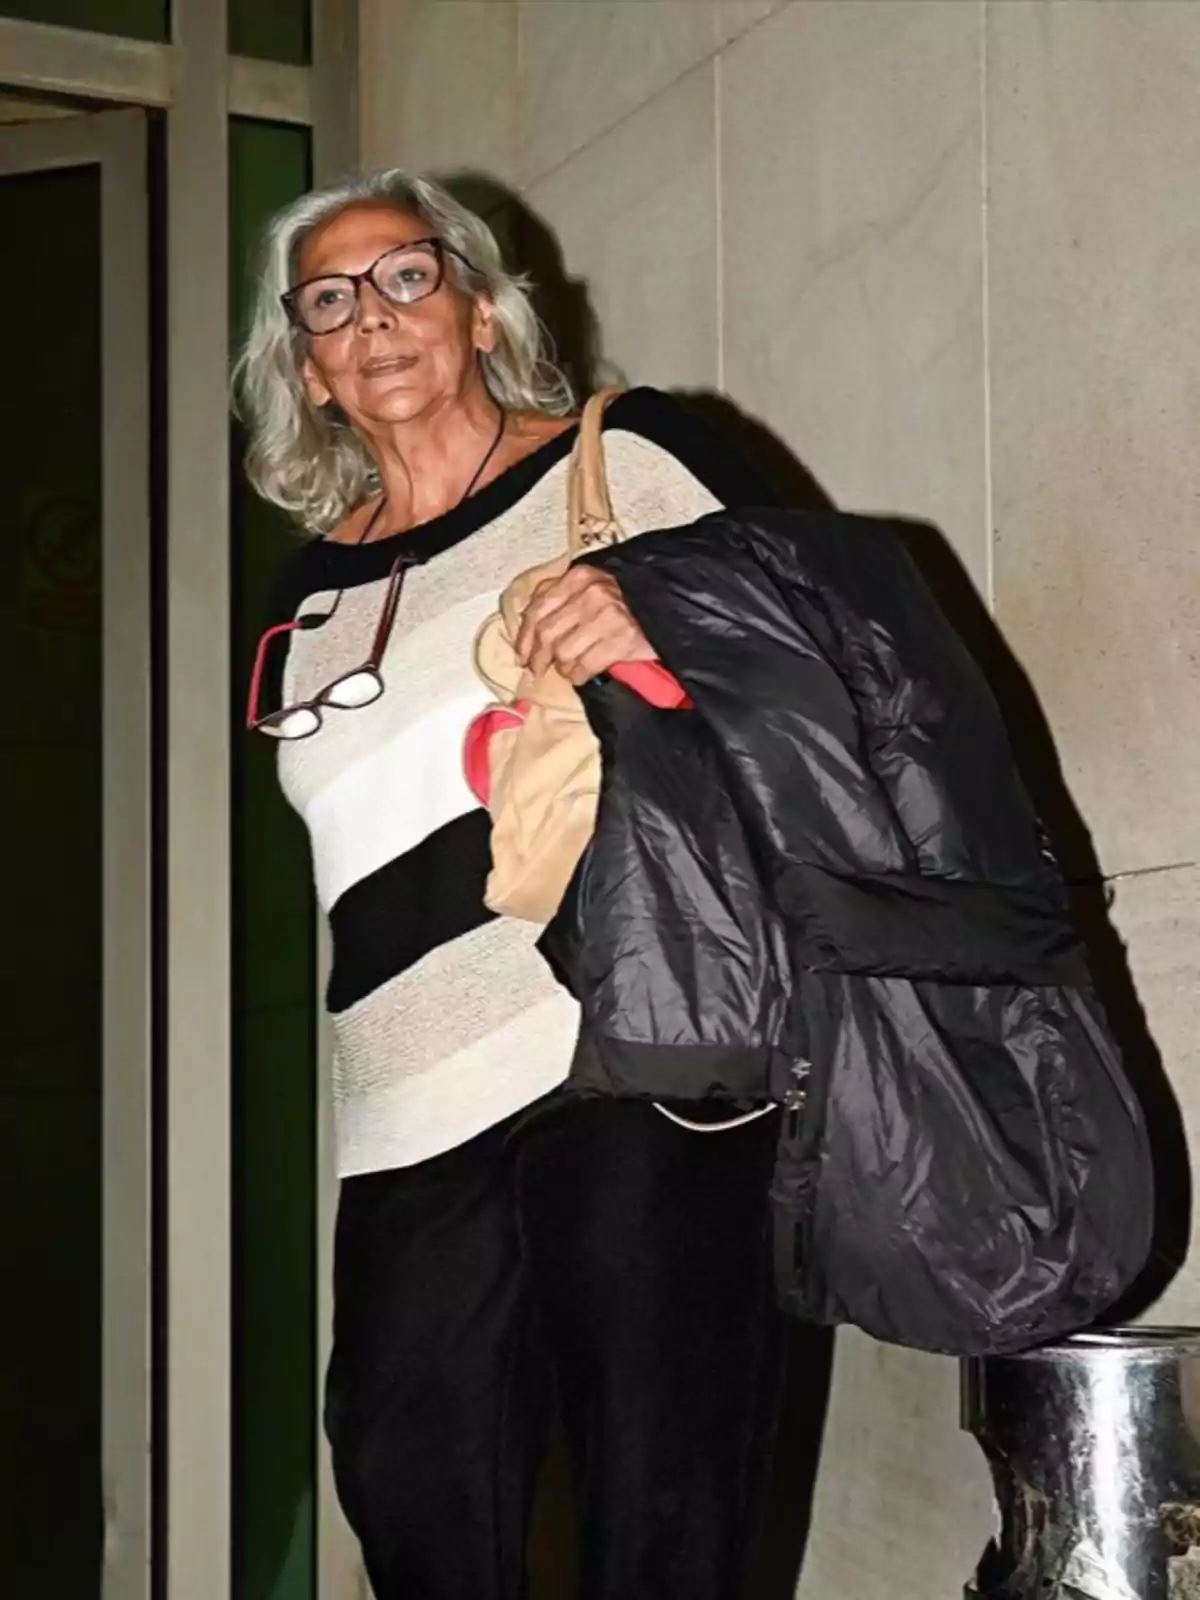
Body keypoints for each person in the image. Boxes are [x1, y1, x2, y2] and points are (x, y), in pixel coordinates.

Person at [236, 169, 785, 1600]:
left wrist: (662, 609)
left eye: (409, 278)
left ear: (480, 308)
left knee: (664, 1514)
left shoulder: (627, 460)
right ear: (306, 363)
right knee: (413, 1492)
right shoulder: (303, 601)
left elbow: (817, 644)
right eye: (331, 300)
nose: (376, 319)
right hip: (406, 1116)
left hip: (623, 1054)